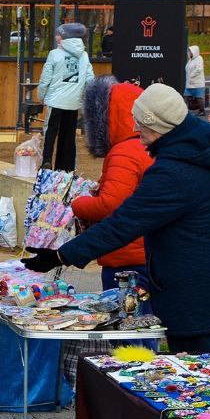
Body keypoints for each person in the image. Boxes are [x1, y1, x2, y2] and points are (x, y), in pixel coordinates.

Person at [24, 83, 210, 353]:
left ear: (159, 125)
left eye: (140, 123)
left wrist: (61, 255)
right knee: (202, 371)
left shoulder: (173, 172)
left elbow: (124, 223)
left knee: (192, 377)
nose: (135, 129)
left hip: (193, 291)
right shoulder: (204, 149)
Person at [69, 76, 153, 290]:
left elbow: (111, 204)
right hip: (146, 252)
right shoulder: (146, 147)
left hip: (127, 255)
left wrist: (78, 203)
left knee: (127, 319)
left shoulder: (124, 152)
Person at [37, 22, 93, 172]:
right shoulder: (84, 56)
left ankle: (47, 161)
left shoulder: (54, 54)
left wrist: (41, 96)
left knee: (50, 132)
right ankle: (66, 168)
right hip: (74, 103)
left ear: (65, 38)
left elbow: (45, 79)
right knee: (69, 136)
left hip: (55, 102)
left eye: (59, 36)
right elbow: (90, 80)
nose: (56, 38)